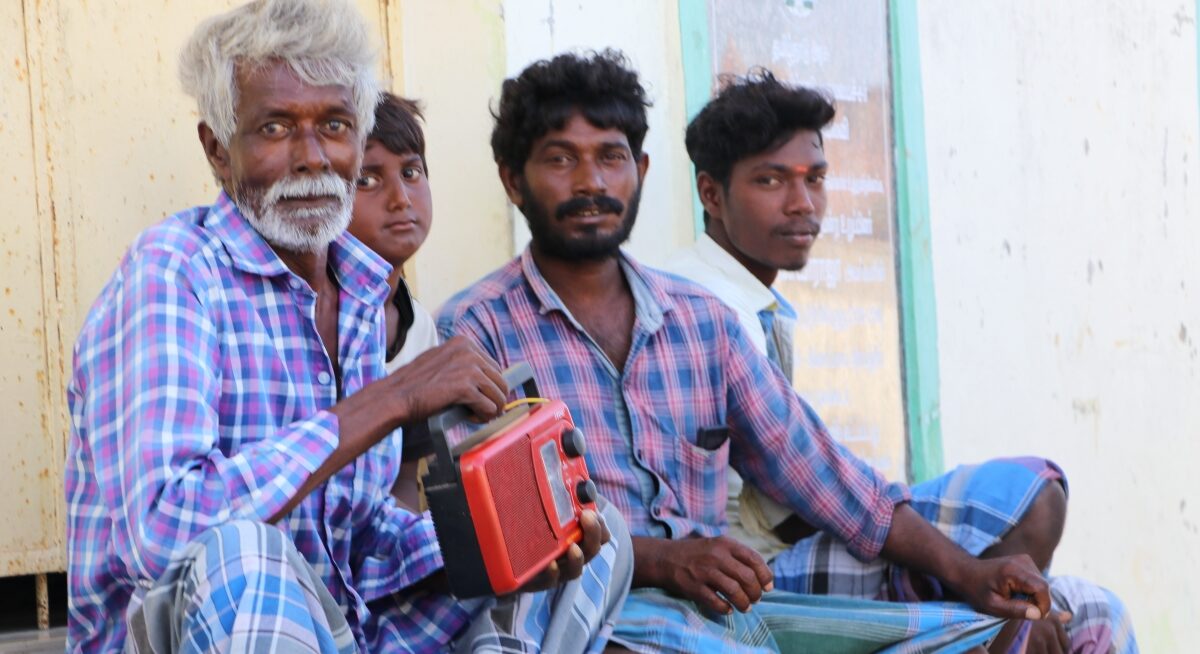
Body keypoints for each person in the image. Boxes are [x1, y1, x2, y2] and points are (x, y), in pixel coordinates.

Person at [437, 50, 1068, 653]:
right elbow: (513, 536)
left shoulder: (702, 323)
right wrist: (663, 561)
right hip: (593, 615)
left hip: (725, 607)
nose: (591, 182)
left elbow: (825, 475)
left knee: (976, 626)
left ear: (643, 172)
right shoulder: (479, 327)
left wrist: (965, 572)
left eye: (611, 157)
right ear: (513, 181)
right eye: (560, 160)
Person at [64, 3, 628, 652]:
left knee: (573, 527)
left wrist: (501, 535)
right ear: (219, 150)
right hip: (204, 626)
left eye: (333, 125)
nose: (310, 157)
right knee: (244, 554)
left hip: (340, 631)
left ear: (358, 138)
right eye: (274, 127)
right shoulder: (171, 274)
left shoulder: (356, 286)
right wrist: (390, 400)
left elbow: (354, 542)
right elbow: (167, 531)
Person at [663, 71, 1137, 654]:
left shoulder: (749, 299)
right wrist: (950, 562)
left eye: (815, 179)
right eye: (771, 181)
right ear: (712, 194)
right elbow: (814, 486)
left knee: (1093, 614)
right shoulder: (702, 305)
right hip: (758, 577)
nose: (803, 204)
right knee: (1033, 494)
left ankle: (1003, 626)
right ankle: (997, 630)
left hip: (801, 546)